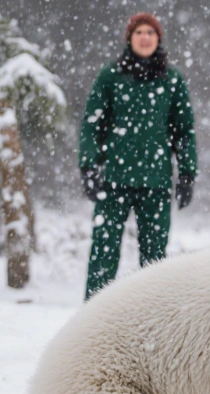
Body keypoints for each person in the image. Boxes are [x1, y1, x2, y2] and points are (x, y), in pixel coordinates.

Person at [78, 12, 197, 300]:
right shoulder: (111, 77)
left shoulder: (172, 79)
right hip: (114, 181)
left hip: (156, 183)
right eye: (139, 32)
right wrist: (89, 166)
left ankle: (151, 320)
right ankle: (93, 317)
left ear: (158, 39)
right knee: (103, 254)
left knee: (155, 260)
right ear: (129, 39)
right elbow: (91, 124)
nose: (145, 38)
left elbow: (184, 131)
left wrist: (187, 173)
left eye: (150, 33)